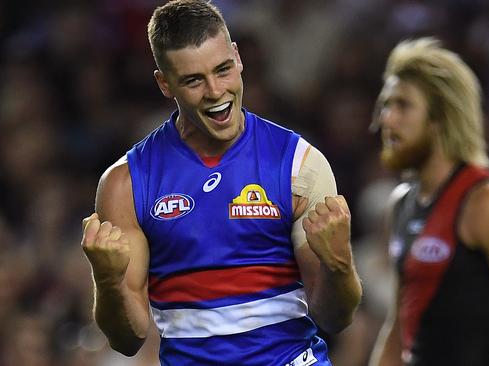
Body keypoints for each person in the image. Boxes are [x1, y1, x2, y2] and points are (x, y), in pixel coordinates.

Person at [79, 1, 362, 365]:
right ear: (164, 83)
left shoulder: (299, 165)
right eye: (194, 80)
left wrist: (339, 265)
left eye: (223, 70)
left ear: (237, 57)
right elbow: (128, 338)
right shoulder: (127, 182)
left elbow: (333, 318)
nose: (215, 92)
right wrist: (107, 281)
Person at [368, 37, 489, 366]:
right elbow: (398, 327)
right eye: (386, 105)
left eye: (403, 105)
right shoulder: (401, 204)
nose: (386, 119)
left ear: (441, 118)